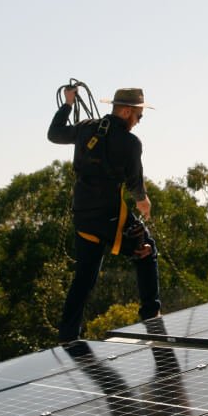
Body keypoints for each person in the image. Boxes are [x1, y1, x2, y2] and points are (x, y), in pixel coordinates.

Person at [48, 86, 161, 343]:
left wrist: (67, 104)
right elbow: (134, 182)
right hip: (109, 215)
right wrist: (143, 202)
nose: (139, 121)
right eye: (138, 115)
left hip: (83, 215)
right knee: (145, 249)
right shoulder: (131, 143)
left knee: (85, 277)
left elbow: (54, 134)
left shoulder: (87, 128)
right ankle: (152, 316)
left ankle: (68, 335)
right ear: (125, 111)